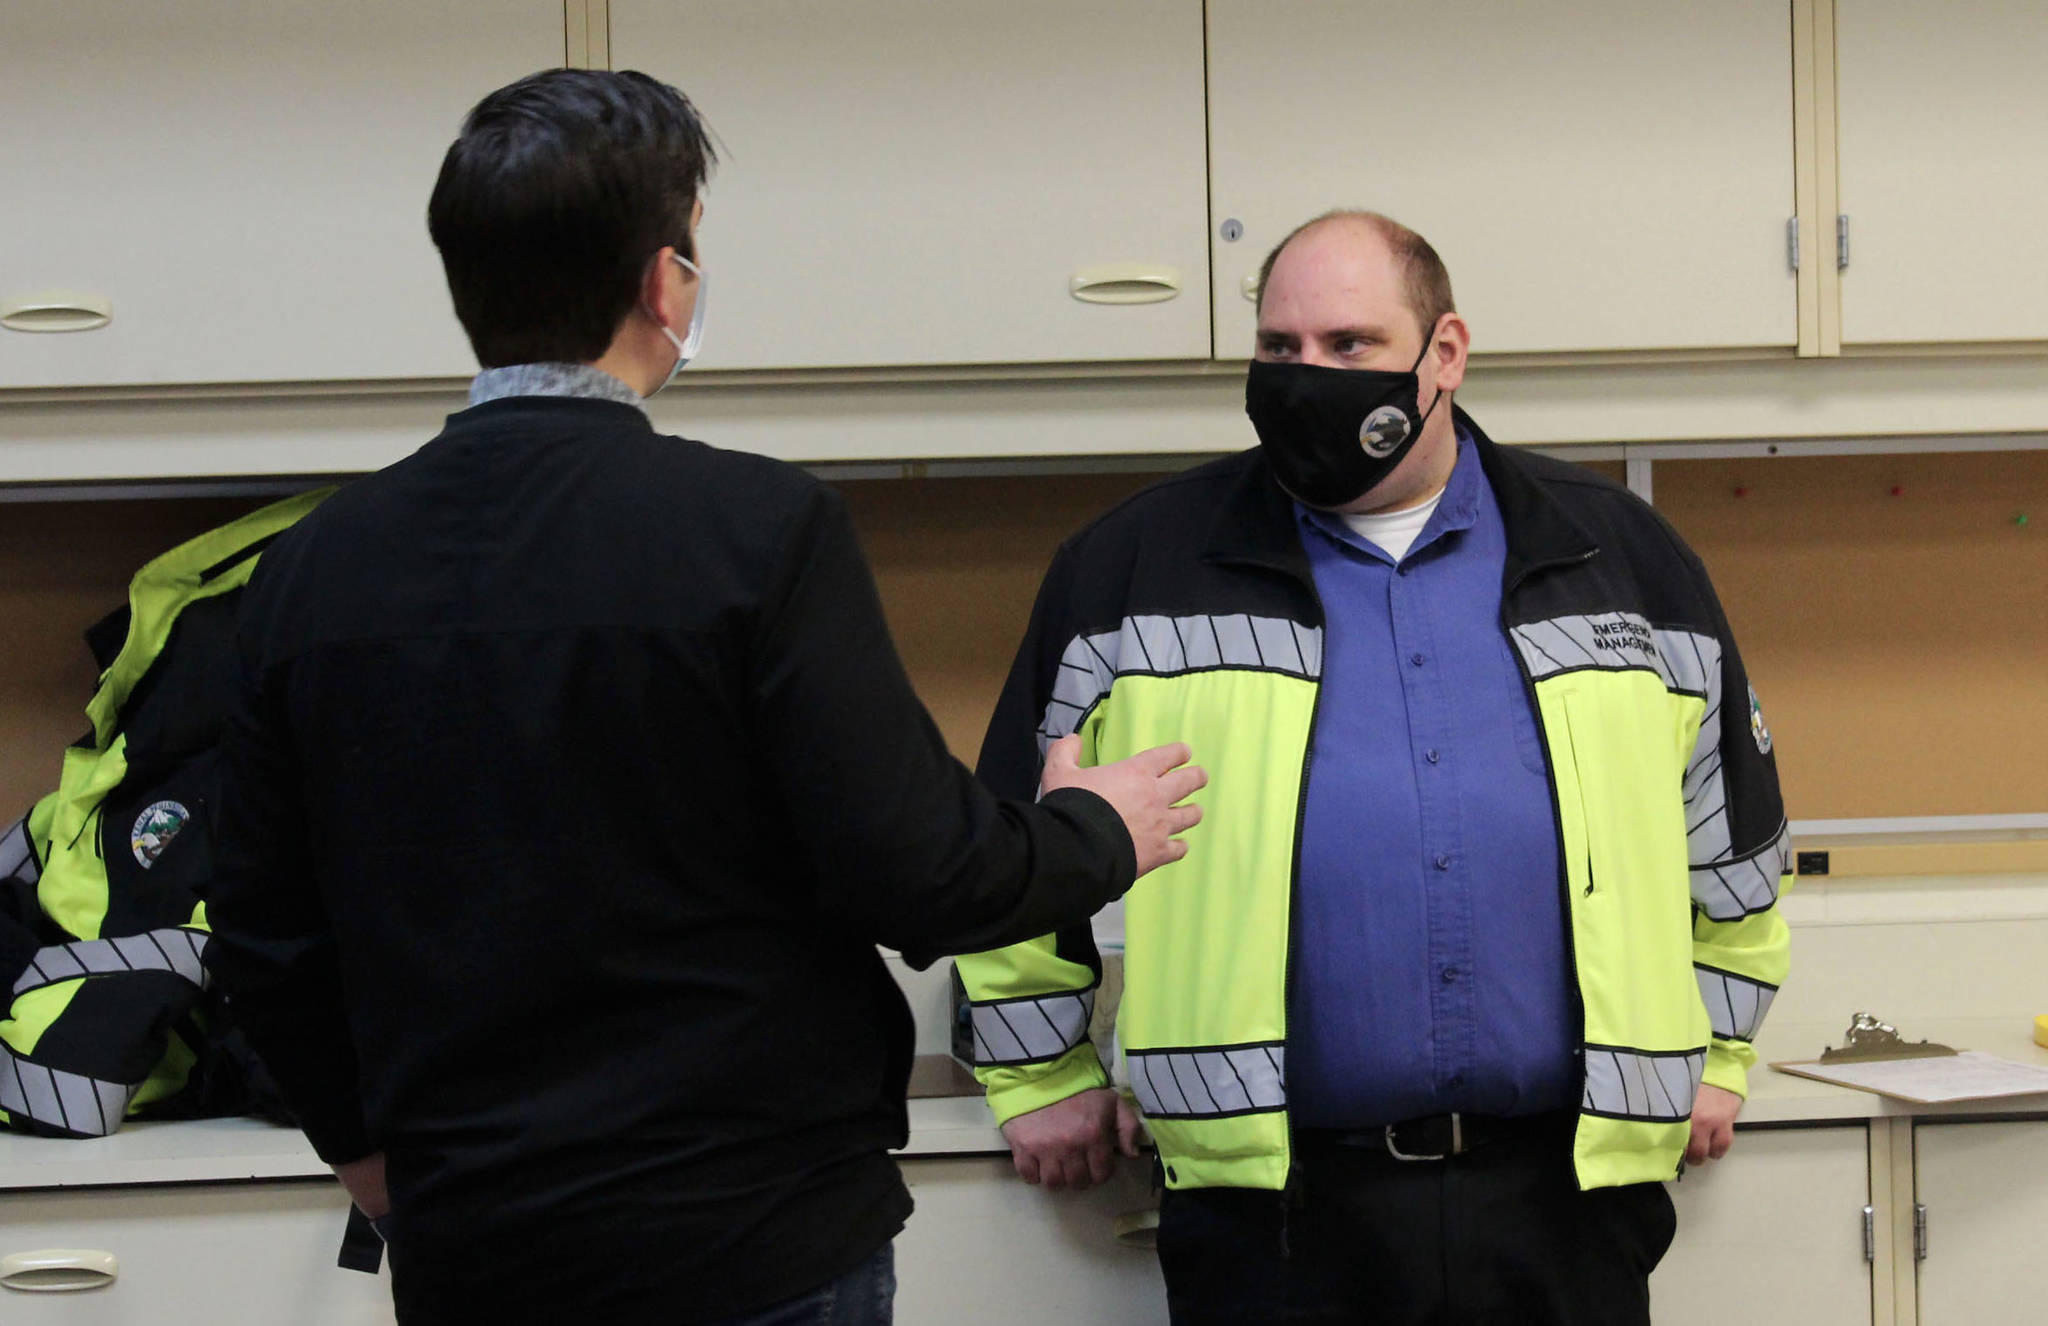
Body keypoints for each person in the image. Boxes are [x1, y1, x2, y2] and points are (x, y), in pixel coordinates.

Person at [202, 69, 1205, 1326]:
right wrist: (1095, 830)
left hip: (479, 1251)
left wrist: (363, 1153)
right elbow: (916, 871)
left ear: (467, 289)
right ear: (666, 282)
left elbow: (260, 934)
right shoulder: (754, 532)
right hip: (755, 1240)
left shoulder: (310, 569)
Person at [954, 210, 1792, 1325]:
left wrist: (1720, 1052)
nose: (1306, 379)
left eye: (1348, 346)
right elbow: (1016, 840)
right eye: (1277, 349)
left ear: (1441, 353)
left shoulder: (1617, 556)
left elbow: (1729, 838)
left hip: (1562, 1203)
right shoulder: (1131, 565)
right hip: (1274, 1213)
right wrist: (1036, 1076)